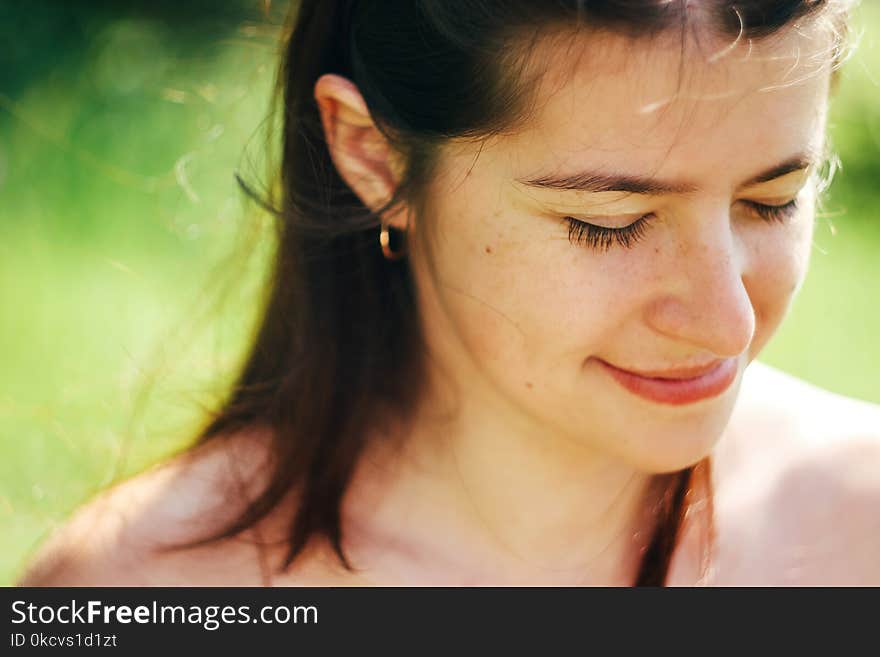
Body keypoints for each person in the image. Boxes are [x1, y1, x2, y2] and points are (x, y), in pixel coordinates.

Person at [19, 0, 879, 587]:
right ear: (372, 155)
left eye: (773, 200)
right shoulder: (144, 591)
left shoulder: (860, 523)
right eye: (610, 222)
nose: (727, 319)